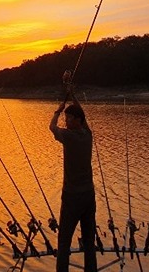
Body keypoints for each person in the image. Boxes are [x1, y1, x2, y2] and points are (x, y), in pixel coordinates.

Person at [49, 90, 97, 272]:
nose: (66, 122)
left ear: (77, 121)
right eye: (65, 119)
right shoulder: (87, 134)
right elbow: (82, 112)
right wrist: (71, 94)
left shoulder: (69, 137)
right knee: (89, 242)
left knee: (63, 243)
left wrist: (57, 111)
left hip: (72, 197)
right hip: (89, 196)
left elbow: (52, 127)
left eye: (69, 119)